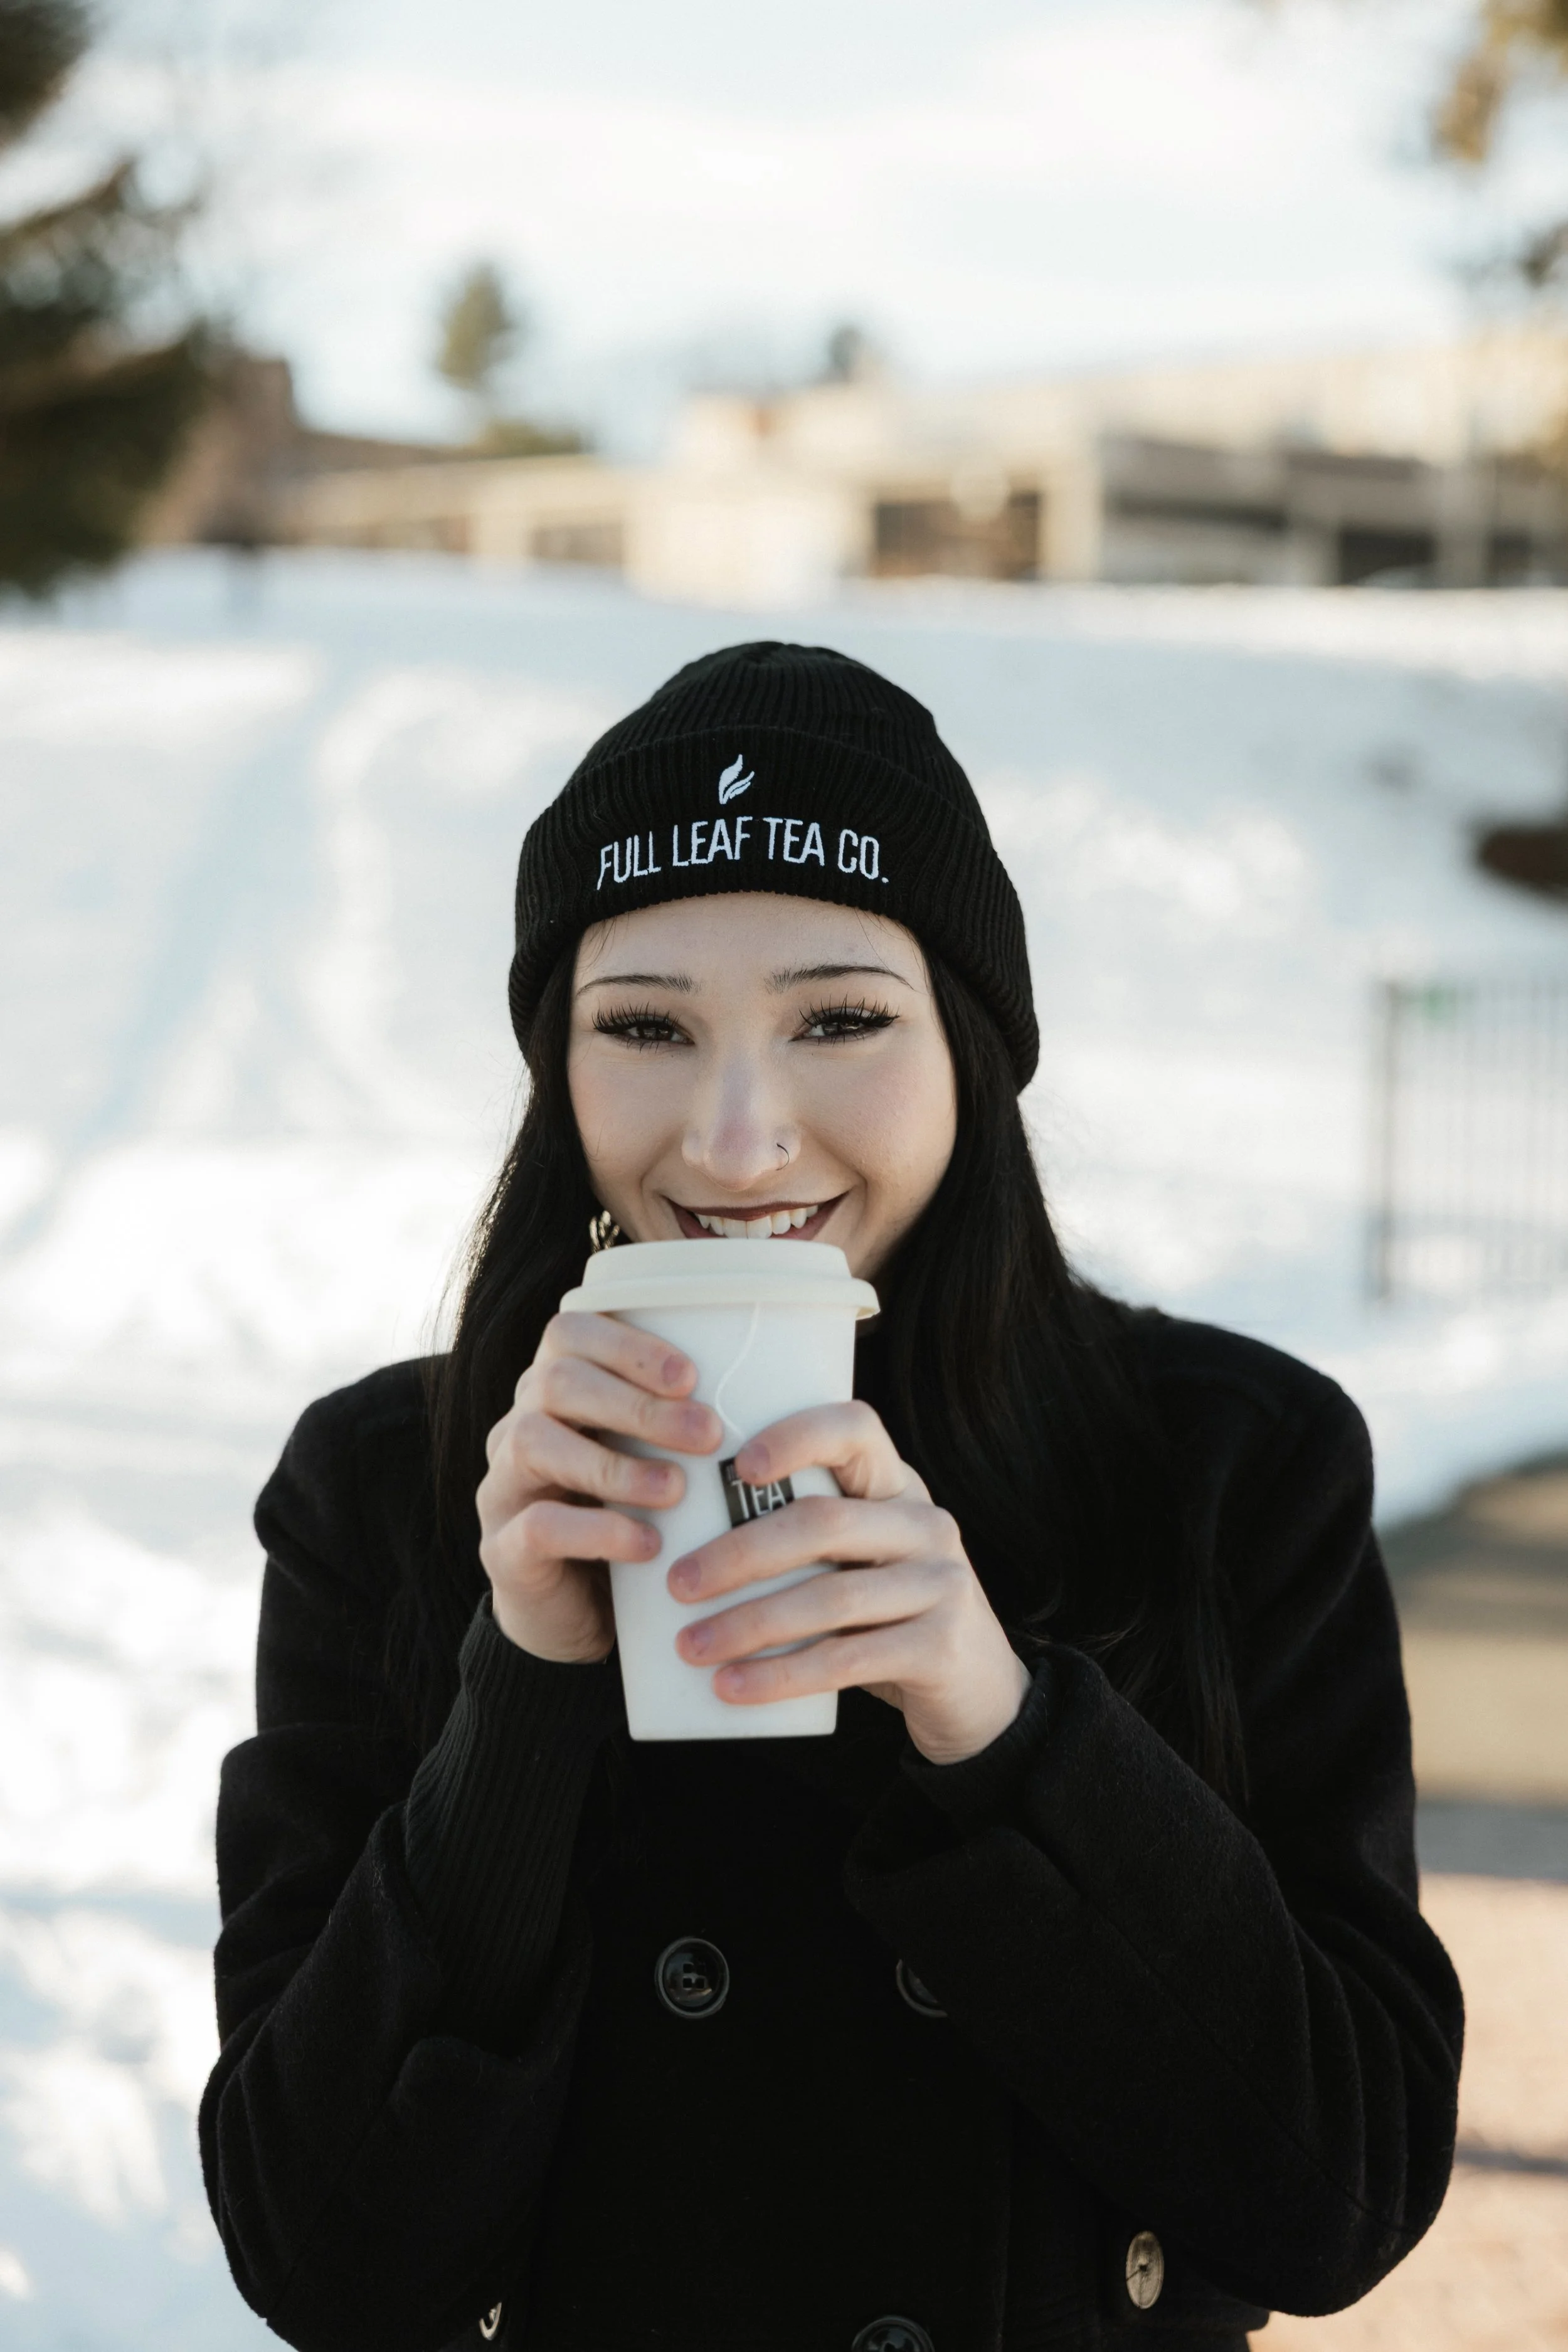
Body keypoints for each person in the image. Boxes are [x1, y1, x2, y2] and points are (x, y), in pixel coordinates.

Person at [201, 643, 1463, 2352]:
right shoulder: (389, 1490)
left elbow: (1334, 2195)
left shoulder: (1226, 1459)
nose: (735, 1139)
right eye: (643, 1025)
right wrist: (522, 1690)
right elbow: (325, 2264)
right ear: (554, 1068)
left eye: (840, 1018)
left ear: (971, 1047)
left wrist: (1001, 1724)